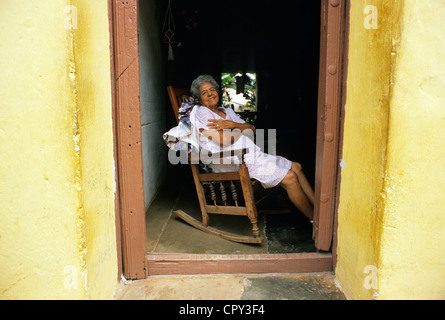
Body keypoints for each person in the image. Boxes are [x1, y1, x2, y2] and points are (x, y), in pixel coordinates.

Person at [189, 75, 315, 220]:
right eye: (204, 93)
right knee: (290, 177)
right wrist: (241, 129)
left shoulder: (227, 112)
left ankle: (317, 208)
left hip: (252, 156)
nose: (210, 93)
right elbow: (223, 140)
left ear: (218, 91)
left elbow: (252, 129)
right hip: (233, 161)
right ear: (199, 99)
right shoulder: (202, 113)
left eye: (212, 89)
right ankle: (314, 221)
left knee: (296, 167)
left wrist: (234, 125)